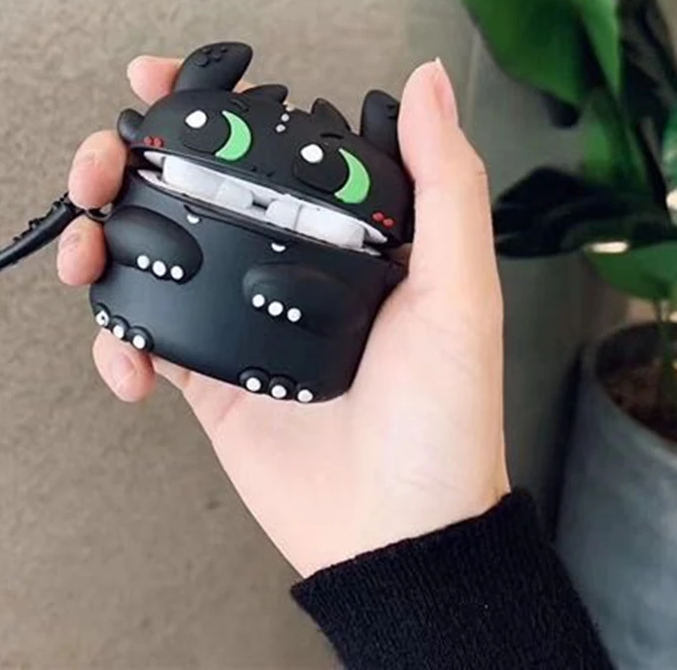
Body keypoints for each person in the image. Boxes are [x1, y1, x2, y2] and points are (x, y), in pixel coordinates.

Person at [56, 54, 614, 669]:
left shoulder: (368, 211)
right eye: (227, 135)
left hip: (305, 316)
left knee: (283, 287)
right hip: (202, 274)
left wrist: (436, 553)